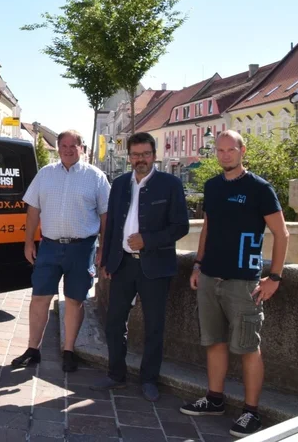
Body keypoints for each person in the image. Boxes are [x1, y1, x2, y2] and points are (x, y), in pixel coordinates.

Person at [180, 130, 288, 438]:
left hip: (243, 282)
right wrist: (198, 265)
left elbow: (282, 234)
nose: (225, 155)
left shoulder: (259, 188)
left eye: (231, 149)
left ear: (242, 151)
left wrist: (275, 277)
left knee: (249, 348)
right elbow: (208, 228)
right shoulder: (213, 187)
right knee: (214, 342)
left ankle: (251, 413)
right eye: (220, 150)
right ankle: (215, 399)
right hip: (210, 276)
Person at [91, 132, 189, 401]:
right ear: (129, 156)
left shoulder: (170, 184)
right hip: (122, 265)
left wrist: (148, 240)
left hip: (155, 267)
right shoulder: (120, 184)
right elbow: (111, 227)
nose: (140, 159)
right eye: (135, 155)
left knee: (154, 326)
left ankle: (149, 380)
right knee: (114, 322)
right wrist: (106, 260)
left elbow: (181, 226)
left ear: (154, 155)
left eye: (145, 154)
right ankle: (116, 374)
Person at [12, 130, 110, 372]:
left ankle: (68, 351)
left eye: (72, 145)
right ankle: (33, 349)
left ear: (82, 148)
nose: (67, 149)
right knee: (39, 299)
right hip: (49, 246)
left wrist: (103, 249)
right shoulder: (45, 175)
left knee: (75, 300)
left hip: (82, 248)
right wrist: (28, 242)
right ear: (58, 148)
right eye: (63, 145)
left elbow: (106, 217)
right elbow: (33, 211)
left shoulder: (96, 177)